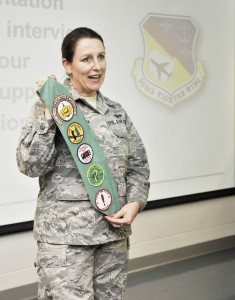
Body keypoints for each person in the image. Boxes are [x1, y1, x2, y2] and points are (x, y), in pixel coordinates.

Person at [16, 27, 150, 300]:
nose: (97, 67)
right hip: (66, 243)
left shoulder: (116, 112)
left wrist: (134, 204)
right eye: (86, 59)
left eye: (101, 57)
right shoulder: (49, 107)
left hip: (113, 237)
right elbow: (30, 166)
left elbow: (138, 167)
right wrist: (47, 115)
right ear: (67, 65)